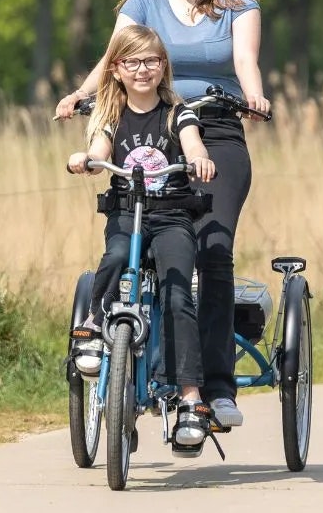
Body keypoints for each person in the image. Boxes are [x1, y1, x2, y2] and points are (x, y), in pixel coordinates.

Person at [57, 0, 271, 428]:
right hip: (149, 125)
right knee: (149, 245)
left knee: (213, 250)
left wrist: (256, 98)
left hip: (216, 129)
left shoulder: (237, 0)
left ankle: (216, 389)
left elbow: (245, 62)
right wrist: (80, 95)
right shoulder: (144, 2)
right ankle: (146, 365)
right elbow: (114, 58)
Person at [67, 24, 216, 453]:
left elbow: (192, 144)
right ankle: (96, 324)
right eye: (132, 62)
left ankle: (190, 397)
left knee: (176, 293)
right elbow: (99, 148)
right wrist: (89, 161)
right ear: (116, 69)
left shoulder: (177, 111)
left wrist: (199, 160)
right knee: (114, 256)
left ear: (163, 66)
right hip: (126, 214)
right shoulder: (110, 114)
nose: (143, 69)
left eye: (151, 61)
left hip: (171, 216)